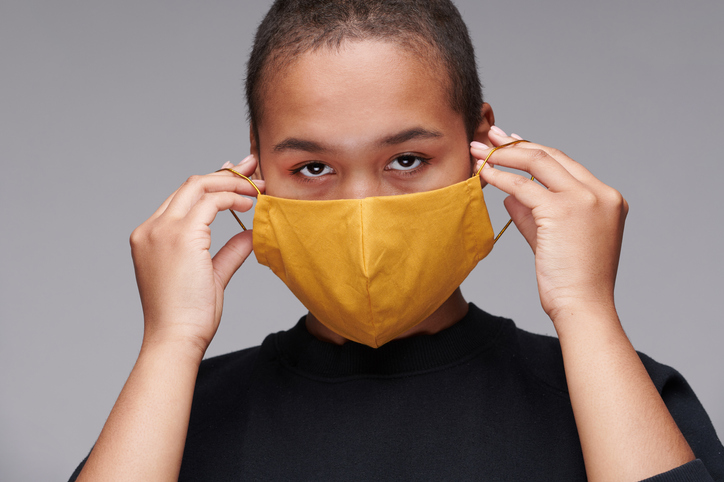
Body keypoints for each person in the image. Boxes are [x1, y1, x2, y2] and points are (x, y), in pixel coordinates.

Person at [70, 0, 723, 480]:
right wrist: (168, 344)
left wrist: (586, 307)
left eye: (407, 159)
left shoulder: (618, 392)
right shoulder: (180, 412)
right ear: (257, 168)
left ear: (480, 145)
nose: (364, 212)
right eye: (313, 167)